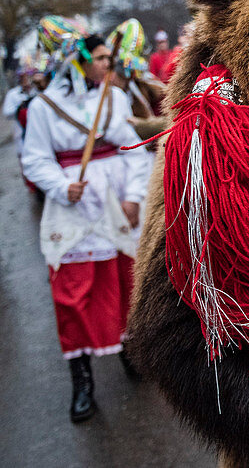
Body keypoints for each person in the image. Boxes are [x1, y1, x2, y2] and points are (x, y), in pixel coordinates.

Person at [21, 35, 152, 422]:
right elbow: (34, 158)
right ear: (76, 62)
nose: (108, 63)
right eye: (99, 57)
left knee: (127, 279)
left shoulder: (114, 98)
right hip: (73, 207)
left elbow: (133, 151)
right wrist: (62, 187)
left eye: (109, 56)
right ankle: (82, 381)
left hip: (116, 204)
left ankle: (132, 353)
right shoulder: (44, 107)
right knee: (72, 292)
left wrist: (133, 197)